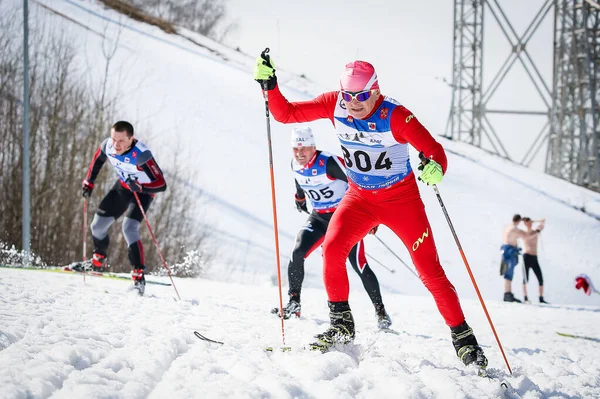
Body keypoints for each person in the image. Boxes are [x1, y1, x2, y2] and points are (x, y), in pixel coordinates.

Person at [254, 55, 488, 369]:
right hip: (359, 199)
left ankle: (463, 339)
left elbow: (433, 150)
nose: (353, 103)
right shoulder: (333, 104)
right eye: (347, 95)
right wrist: (270, 86)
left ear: (375, 91)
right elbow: (286, 114)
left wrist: (435, 168)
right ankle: (342, 325)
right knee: (333, 249)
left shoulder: (396, 116)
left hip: (401, 201)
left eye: (362, 96)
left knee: (429, 271)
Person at [272, 126, 392, 329]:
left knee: (359, 265)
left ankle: (380, 311)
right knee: (297, 253)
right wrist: (300, 197)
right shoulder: (295, 164)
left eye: (304, 149)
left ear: (313, 147)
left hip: (345, 219)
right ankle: (294, 303)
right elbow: (300, 180)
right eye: (296, 149)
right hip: (319, 218)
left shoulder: (328, 162)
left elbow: (358, 181)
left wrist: (370, 215)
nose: (300, 154)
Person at [81, 121, 167, 295]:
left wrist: (142, 188)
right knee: (97, 225)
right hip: (123, 187)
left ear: (131, 139)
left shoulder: (142, 155)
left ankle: (138, 276)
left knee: (129, 228)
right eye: (114, 139)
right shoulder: (108, 145)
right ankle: (98, 261)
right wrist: (89, 181)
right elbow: (97, 160)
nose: (116, 144)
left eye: (121, 141)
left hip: (143, 191)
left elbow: (161, 184)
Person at [520, 217, 547, 304]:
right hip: (527, 257)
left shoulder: (535, 231)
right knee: (525, 278)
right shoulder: (525, 233)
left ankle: (541, 298)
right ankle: (525, 297)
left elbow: (542, 225)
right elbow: (531, 236)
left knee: (540, 278)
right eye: (529, 222)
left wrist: (536, 221)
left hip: (534, 258)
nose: (530, 224)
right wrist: (527, 222)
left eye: (531, 222)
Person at [500, 214, 526, 303]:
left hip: (507, 250)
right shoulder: (514, 228)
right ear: (518, 220)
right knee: (509, 273)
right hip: (509, 252)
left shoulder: (508, 227)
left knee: (508, 272)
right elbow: (524, 235)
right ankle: (507, 294)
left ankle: (508, 293)